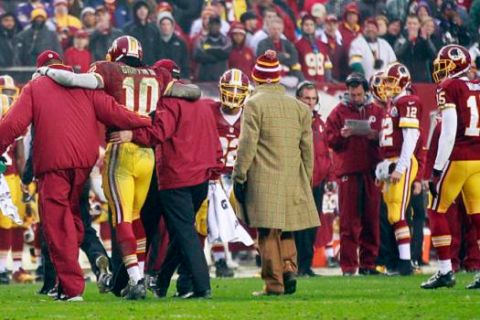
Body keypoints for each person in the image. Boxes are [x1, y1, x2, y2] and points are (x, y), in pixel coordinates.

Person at [0, 49, 151, 301]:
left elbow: (13, 124)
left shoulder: (35, 87)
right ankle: (67, 280)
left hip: (53, 165)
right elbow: (115, 112)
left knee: (56, 225)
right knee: (72, 219)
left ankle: (71, 289)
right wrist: (147, 120)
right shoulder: (85, 85)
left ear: (41, 69)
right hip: (83, 164)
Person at [109, 70, 222, 300]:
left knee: (177, 232)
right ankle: (155, 282)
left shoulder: (168, 103)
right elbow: (214, 142)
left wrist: (132, 135)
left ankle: (202, 285)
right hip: (200, 177)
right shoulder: (203, 105)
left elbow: (159, 133)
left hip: (175, 177)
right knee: (180, 232)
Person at [233, 50, 319, 296]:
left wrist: (239, 175)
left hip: (263, 177)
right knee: (287, 228)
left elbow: (247, 145)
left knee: (267, 232)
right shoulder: (300, 108)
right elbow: (307, 150)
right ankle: (290, 269)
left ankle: (274, 284)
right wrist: (307, 179)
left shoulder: (253, 104)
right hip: (294, 177)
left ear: (257, 78)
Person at [421, 44, 480, 289]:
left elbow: (449, 130)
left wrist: (436, 168)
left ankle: (445, 270)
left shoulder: (448, 86)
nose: (441, 70)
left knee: (436, 208)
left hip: (458, 157)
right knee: (477, 214)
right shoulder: (477, 86)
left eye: (445, 64)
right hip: (478, 158)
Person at [326, 73, 384, 276]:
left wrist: (375, 136)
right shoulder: (338, 112)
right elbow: (330, 140)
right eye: (352, 94)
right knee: (349, 222)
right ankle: (349, 267)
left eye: (359, 94)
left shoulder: (377, 110)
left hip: (371, 170)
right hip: (348, 172)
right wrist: (342, 136)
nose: (356, 97)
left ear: (366, 92)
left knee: (371, 219)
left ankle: (368, 264)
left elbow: (387, 138)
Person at [376, 63, 422, 275]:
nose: (387, 86)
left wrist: (401, 167)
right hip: (391, 162)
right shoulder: (393, 104)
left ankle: (405, 263)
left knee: (397, 211)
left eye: (391, 82)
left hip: (401, 162)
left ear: (403, 82)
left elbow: (411, 139)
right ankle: (400, 262)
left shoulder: (407, 101)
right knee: (392, 214)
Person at [294, 81, 332, 277]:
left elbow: (325, 152)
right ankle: (297, 266)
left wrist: (329, 175)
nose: (310, 102)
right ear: (298, 99)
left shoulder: (319, 122)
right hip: (299, 181)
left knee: (311, 226)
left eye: (313, 98)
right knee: (298, 226)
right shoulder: (293, 121)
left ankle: (305, 266)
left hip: (318, 182)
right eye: (306, 98)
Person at [257, 17, 303, 88]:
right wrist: (284, 56)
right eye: (274, 29)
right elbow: (264, 59)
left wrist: (275, 57)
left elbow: (294, 58)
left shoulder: (287, 43)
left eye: (279, 29)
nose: (276, 31)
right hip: (269, 78)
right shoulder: (263, 43)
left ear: (282, 30)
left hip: (288, 76)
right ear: (269, 30)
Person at [394, 15, 437, 83]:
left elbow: (434, 56)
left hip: (424, 80)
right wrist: (408, 41)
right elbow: (397, 55)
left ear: (419, 25)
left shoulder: (424, 40)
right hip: (406, 78)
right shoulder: (400, 39)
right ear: (406, 25)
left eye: (414, 23)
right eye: (409, 23)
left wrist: (426, 40)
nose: (412, 26)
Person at [193, 15, 232, 81]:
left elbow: (225, 53)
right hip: (204, 78)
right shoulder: (201, 40)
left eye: (216, 24)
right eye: (212, 24)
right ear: (208, 26)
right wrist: (217, 57)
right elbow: (197, 55)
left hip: (222, 78)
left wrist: (208, 51)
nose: (214, 27)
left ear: (220, 26)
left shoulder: (226, 40)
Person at [295, 15, 332, 83]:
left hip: (322, 84)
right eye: (306, 25)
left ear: (315, 26)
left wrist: (329, 79)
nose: (309, 27)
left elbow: (327, 64)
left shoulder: (323, 45)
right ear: (302, 27)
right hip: (306, 84)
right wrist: (304, 81)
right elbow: (296, 66)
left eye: (311, 25)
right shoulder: (297, 45)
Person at [123, 0, 160, 66]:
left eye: (145, 8)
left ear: (148, 11)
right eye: (139, 8)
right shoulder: (128, 29)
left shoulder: (154, 28)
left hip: (151, 67)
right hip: (134, 68)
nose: (142, 11)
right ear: (135, 11)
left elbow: (158, 50)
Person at [156, 11, 190, 79]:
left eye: (168, 24)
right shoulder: (155, 42)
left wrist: (185, 77)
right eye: (163, 24)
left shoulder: (181, 43)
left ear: (172, 25)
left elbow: (185, 63)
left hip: (177, 78)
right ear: (159, 26)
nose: (166, 27)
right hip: (160, 78)